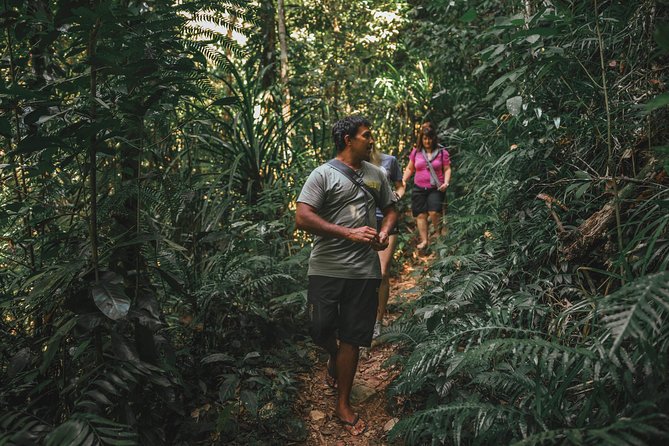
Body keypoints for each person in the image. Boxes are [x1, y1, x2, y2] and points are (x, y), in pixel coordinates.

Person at [295, 116, 398, 436]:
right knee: (319, 328)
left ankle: (342, 402)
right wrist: (348, 233)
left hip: (364, 272)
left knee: (353, 337)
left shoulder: (377, 174)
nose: (372, 141)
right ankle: (333, 357)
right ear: (347, 140)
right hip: (325, 267)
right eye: (366, 136)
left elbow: (392, 208)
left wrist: (383, 231)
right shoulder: (322, 174)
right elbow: (302, 217)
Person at [369, 148, 405, 339]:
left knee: (382, 272)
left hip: (386, 219)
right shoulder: (351, 163)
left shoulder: (389, 161)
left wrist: (395, 197)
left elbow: (400, 185)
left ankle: (378, 321)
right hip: (360, 222)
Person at [402, 122, 452, 251]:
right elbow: (409, 168)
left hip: (436, 187)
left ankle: (437, 233)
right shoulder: (416, 152)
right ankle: (424, 240)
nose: (427, 141)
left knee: (434, 212)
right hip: (419, 188)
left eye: (429, 138)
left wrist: (446, 182)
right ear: (421, 139)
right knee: (420, 215)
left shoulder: (442, 153)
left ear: (433, 138)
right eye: (425, 138)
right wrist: (403, 181)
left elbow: (447, 169)